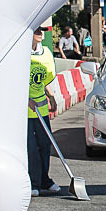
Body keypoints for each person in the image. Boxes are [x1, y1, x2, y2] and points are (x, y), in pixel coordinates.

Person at [28, 28, 59, 197]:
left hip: (41, 109)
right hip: (26, 112)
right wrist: (25, 100)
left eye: (42, 30)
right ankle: (34, 182)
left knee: (45, 145)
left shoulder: (45, 52)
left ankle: (44, 179)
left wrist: (51, 96)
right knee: (31, 148)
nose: (40, 33)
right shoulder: (21, 53)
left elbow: (43, 79)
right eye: (37, 30)